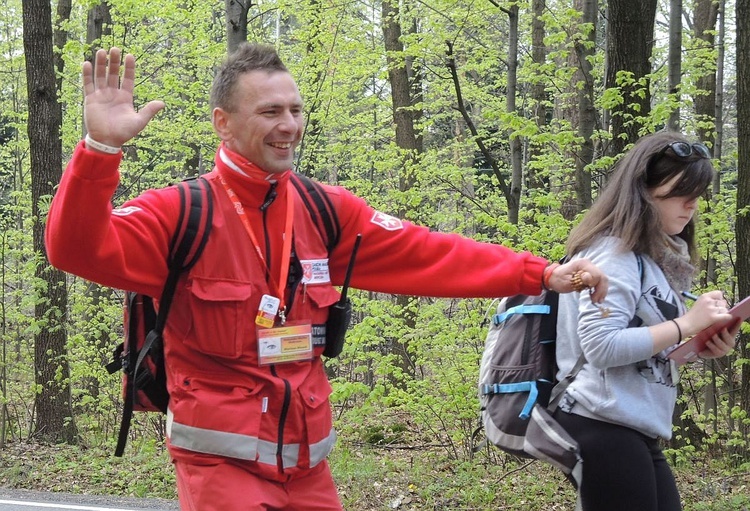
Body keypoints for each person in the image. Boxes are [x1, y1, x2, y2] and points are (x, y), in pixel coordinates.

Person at [45, 44, 608, 511]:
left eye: (295, 110)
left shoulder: (322, 210)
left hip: (308, 466)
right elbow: (75, 249)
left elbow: (429, 254)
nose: (288, 125)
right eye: (270, 112)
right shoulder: (181, 214)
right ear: (224, 122)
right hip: (223, 467)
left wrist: (543, 273)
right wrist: (101, 149)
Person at [552, 131, 738, 511]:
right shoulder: (612, 254)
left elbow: (648, 349)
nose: (692, 205)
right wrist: (687, 324)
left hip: (634, 426)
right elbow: (601, 348)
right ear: (644, 190)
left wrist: (701, 343)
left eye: (698, 194)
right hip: (599, 420)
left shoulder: (654, 263)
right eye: (681, 192)